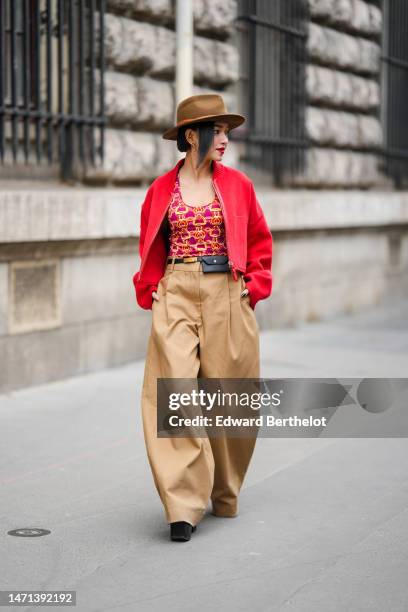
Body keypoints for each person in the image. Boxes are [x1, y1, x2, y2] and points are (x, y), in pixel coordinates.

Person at [133, 94, 273, 542]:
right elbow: (151, 244)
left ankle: (225, 490)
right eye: (219, 131)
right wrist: (151, 287)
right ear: (192, 136)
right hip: (174, 291)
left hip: (227, 292)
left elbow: (259, 238)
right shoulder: (160, 189)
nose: (226, 140)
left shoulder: (238, 186)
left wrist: (255, 283)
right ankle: (182, 505)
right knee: (172, 392)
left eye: (228, 132)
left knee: (230, 392)